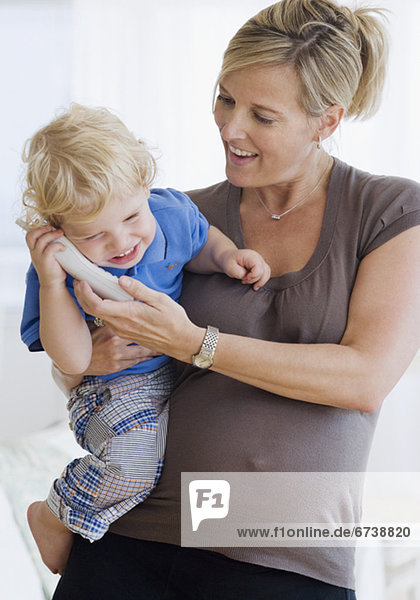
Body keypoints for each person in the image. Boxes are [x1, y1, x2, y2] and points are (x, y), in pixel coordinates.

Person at [51, 0, 420, 598]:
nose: (229, 128)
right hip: (132, 540)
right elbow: (86, 363)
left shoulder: (388, 211)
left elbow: (364, 377)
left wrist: (194, 343)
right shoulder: (167, 217)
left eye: (262, 116)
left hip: (283, 556)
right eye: (225, 99)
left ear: (327, 121)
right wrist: (86, 356)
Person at [19, 104, 270, 576]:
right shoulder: (56, 272)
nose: (121, 242)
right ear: (60, 234)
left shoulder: (169, 212)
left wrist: (228, 256)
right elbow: (72, 359)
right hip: (112, 386)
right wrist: (55, 281)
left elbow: (200, 240)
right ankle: (54, 514)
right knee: (133, 466)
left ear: (145, 185)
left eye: (133, 215)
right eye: (94, 235)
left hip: (176, 373)